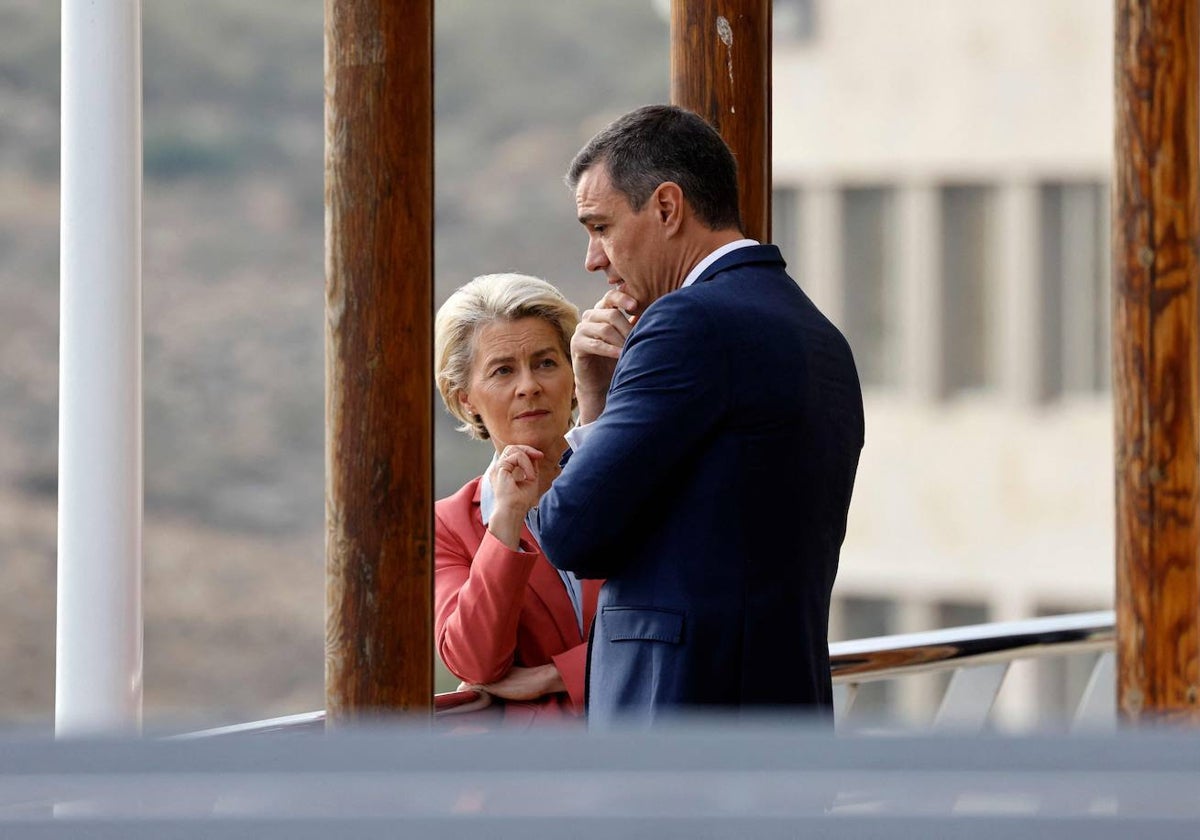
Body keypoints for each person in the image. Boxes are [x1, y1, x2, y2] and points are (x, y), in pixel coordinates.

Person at [534, 105, 865, 726]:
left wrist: (591, 403)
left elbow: (572, 531)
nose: (593, 259)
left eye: (600, 226)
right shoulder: (819, 334)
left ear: (666, 207)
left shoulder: (686, 324)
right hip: (785, 718)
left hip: (682, 732)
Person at [433, 273, 602, 727]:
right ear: (464, 398)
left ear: (571, 375)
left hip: (661, 752)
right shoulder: (446, 526)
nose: (528, 385)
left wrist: (552, 676)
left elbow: (684, 626)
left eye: (546, 363)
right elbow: (475, 662)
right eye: (503, 370)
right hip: (532, 783)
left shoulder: (630, 479)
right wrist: (505, 519)